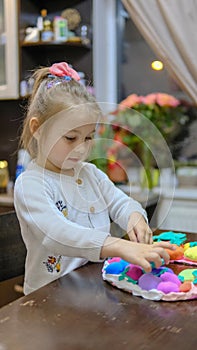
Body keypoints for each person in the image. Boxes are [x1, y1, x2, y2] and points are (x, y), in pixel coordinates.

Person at [14, 62, 174, 295]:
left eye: (88, 138)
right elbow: (57, 234)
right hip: (48, 298)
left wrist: (135, 217)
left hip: (90, 287)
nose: (80, 149)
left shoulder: (90, 174)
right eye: (70, 138)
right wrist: (120, 246)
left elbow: (120, 202)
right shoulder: (31, 184)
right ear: (37, 128)